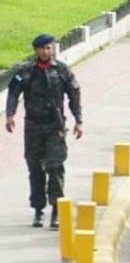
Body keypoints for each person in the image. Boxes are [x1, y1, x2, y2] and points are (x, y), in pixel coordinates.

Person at [5, 34, 84, 229]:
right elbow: (13, 93)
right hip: (33, 126)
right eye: (42, 48)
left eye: (49, 48)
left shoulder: (62, 70)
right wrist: (10, 115)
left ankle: (57, 209)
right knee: (35, 169)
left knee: (54, 166)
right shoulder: (26, 71)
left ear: (53, 49)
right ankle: (38, 210)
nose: (46, 52)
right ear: (36, 50)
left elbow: (74, 94)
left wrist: (78, 120)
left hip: (55, 126)